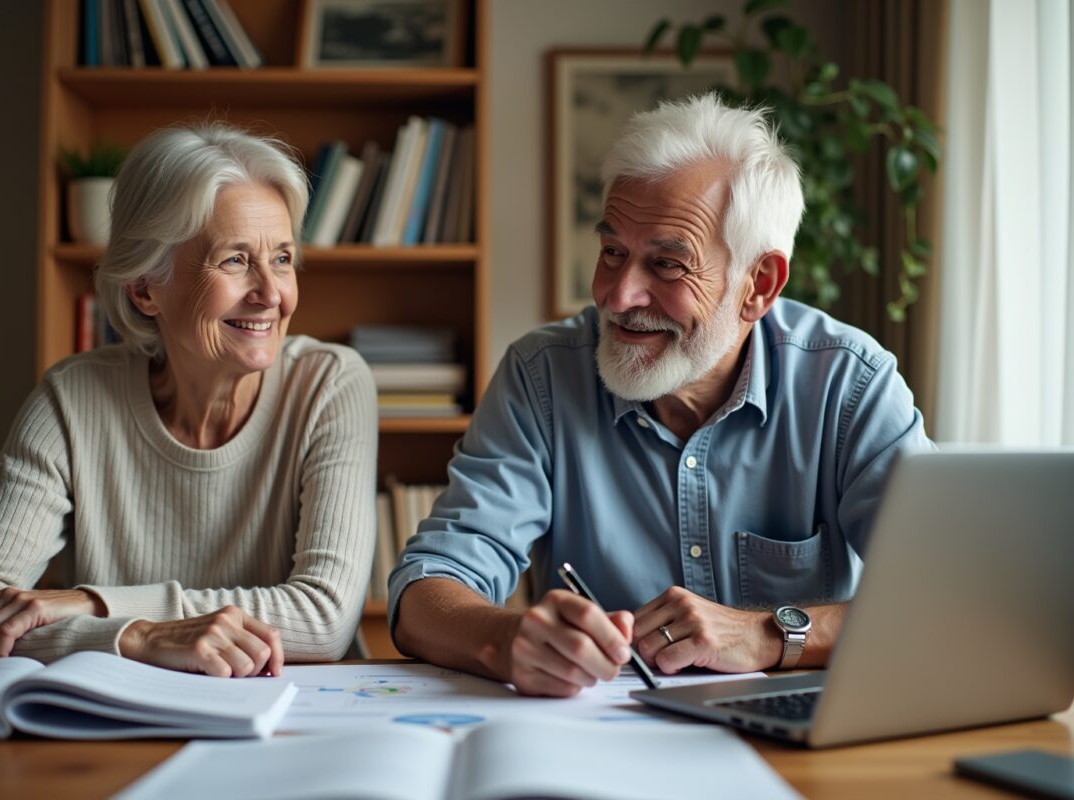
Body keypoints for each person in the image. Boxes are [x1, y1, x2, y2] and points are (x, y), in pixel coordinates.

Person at [389, 94, 933, 697]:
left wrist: (768, 634)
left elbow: (948, 595)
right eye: (613, 252)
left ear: (758, 285)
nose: (619, 297)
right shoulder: (541, 377)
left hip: (794, 742)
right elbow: (427, 587)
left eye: (668, 266)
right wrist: (504, 638)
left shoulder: (847, 384)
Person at [0, 124, 378, 677]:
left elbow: (324, 617)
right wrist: (134, 636)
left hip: (301, 715)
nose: (271, 293)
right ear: (144, 288)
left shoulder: (330, 384)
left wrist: (94, 604)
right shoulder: (73, 400)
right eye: (235, 260)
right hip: (120, 728)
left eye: (281, 259)